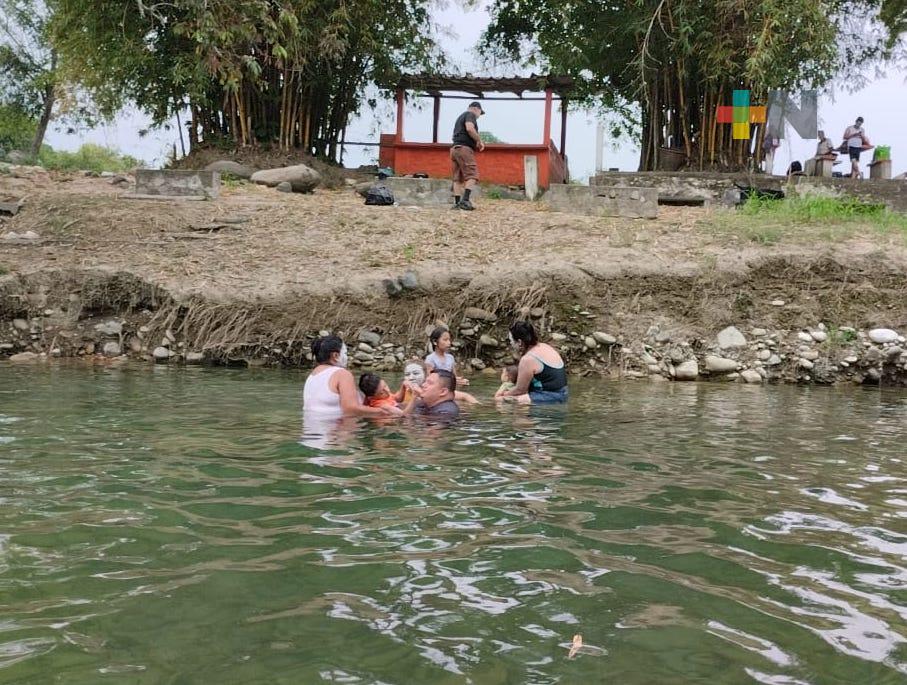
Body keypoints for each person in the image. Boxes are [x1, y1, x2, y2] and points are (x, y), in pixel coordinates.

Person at [303, 335, 401, 417]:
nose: (347, 357)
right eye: (345, 353)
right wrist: (383, 411)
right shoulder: (342, 374)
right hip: (333, 433)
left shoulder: (312, 375)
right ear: (336, 356)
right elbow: (350, 409)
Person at [499, 321, 568, 404]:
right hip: (563, 393)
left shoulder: (528, 359)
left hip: (550, 396)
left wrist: (503, 394)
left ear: (520, 342)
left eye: (511, 341)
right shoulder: (544, 346)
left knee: (502, 400)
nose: (510, 344)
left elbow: (520, 391)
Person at [450, 101, 485, 211]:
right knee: (473, 175)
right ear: (476, 109)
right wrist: (479, 141)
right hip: (464, 149)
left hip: (454, 149)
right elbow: (469, 128)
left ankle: (457, 203)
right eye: (480, 112)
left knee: (457, 178)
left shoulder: (460, 117)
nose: (479, 116)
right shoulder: (470, 115)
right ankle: (465, 200)